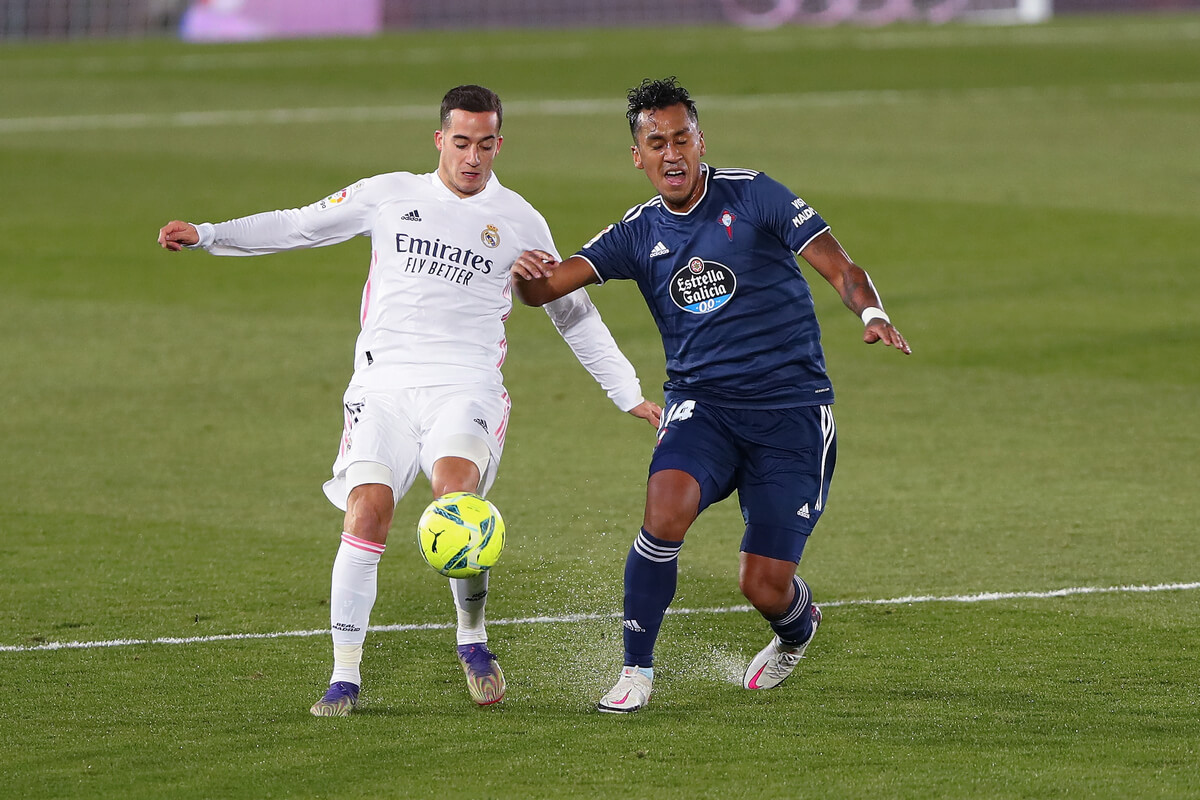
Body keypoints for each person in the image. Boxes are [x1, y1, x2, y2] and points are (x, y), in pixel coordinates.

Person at [157, 84, 661, 716]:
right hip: (383, 386)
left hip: (466, 386)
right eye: (460, 142)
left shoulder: (520, 221)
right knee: (366, 512)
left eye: (485, 144)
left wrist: (628, 393)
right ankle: (344, 675)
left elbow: (573, 312)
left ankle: (471, 636)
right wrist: (208, 234)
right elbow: (300, 225)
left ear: (499, 143)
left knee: (459, 504)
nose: (473, 157)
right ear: (438, 140)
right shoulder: (390, 194)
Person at [510, 77, 911, 713]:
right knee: (663, 509)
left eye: (681, 138)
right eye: (655, 143)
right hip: (704, 405)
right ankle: (636, 672)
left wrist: (870, 314)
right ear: (637, 157)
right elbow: (551, 287)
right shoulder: (637, 232)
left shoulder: (754, 196)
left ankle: (797, 626)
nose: (671, 153)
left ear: (701, 141)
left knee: (763, 584)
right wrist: (527, 278)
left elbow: (839, 265)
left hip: (793, 410)